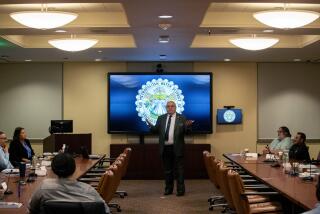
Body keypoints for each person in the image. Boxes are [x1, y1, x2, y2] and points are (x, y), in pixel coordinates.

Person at [28, 153, 110, 214]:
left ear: (53, 169)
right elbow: (105, 210)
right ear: (74, 169)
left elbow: (32, 208)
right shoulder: (88, 190)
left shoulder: (44, 188)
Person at [147, 101, 193, 196]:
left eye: (172, 106)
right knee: (167, 171)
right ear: (166, 108)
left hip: (177, 148)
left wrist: (188, 127)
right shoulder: (161, 118)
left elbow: (187, 132)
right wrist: (150, 126)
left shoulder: (182, 118)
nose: (170, 108)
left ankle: (180, 190)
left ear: (175, 107)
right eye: (168, 106)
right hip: (165, 148)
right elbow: (155, 131)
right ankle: (168, 189)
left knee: (179, 171)